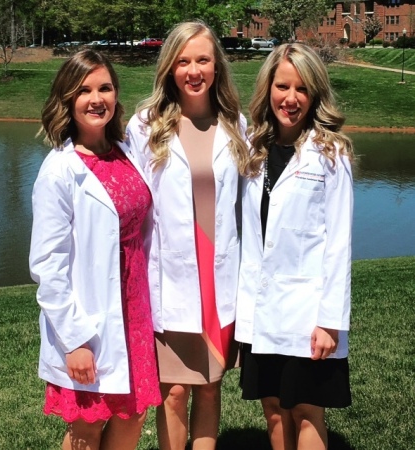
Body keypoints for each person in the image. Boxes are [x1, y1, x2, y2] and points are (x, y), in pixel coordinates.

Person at [126, 21, 249, 450]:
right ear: (169, 68)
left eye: (202, 59)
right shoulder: (145, 126)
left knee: (210, 387)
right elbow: (131, 207)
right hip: (169, 281)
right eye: (183, 61)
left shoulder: (237, 124)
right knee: (173, 391)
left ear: (217, 66)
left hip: (219, 283)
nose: (193, 70)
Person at [29, 49, 161, 450]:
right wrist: (75, 341)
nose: (96, 98)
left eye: (105, 87)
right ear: (67, 99)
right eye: (84, 90)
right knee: (87, 428)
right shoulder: (59, 171)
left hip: (134, 312)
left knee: (133, 416)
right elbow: (47, 266)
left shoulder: (125, 152)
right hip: (92, 322)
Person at [235, 43, 354, 450]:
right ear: (268, 89)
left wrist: (330, 320)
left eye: (302, 89)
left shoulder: (330, 154)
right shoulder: (252, 149)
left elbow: (339, 244)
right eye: (282, 86)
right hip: (261, 308)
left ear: (315, 93)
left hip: (308, 312)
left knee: (305, 409)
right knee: (272, 407)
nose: (291, 98)